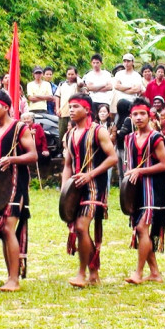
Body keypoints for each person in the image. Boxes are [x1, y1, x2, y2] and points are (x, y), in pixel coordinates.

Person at [0, 90, 37, 291]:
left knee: (7, 228)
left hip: (16, 184)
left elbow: (33, 155)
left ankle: (14, 279)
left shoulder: (19, 128)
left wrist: (12, 159)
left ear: (5, 106)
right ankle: (10, 277)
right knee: (3, 232)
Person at [61, 94, 117, 287]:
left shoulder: (98, 131)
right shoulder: (69, 135)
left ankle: (81, 274)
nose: (71, 110)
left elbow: (112, 158)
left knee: (81, 227)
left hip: (95, 187)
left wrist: (90, 175)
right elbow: (67, 165)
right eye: (70, 106)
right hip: (75, 189)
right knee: (79, 229)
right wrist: (64, 189)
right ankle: (93, 273)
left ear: (87, 110)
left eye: (76, 106)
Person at [123, 97, 165, 284]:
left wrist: (140, 170)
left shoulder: (155, 137)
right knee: (141, 230)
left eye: (142, 113)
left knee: (142, 227)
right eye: (135, 114)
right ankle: (155, 273)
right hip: (137, 191)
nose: (139, 117)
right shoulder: (129, 138)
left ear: (149, 115)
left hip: (154, 189)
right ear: (131, 117)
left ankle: (139, 273)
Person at [55, 66, 80, 145]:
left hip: (74, 112)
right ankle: (61, 150)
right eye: (68, 74)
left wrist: (78, 78)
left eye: (72, 74)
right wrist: (57, 108)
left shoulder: (78, 85)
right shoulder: (62, 84)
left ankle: (73, 148)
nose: (70, 76)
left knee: (74, 130)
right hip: (63, 112)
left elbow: (81, 84)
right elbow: (57, 96)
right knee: (62, 131)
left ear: (76, 74)